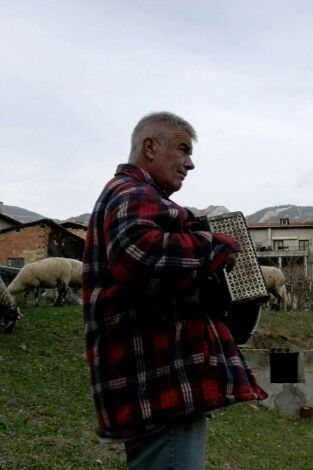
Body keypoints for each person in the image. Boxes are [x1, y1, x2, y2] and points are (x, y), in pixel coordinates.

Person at [82, 111, 267, 469]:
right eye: (183, 149)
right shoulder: (132, 193)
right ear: (150, 147)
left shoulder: (136, 196)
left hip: (161, 384)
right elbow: (140, 256)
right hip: (161, 384)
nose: (190, 163)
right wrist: (214, 247)